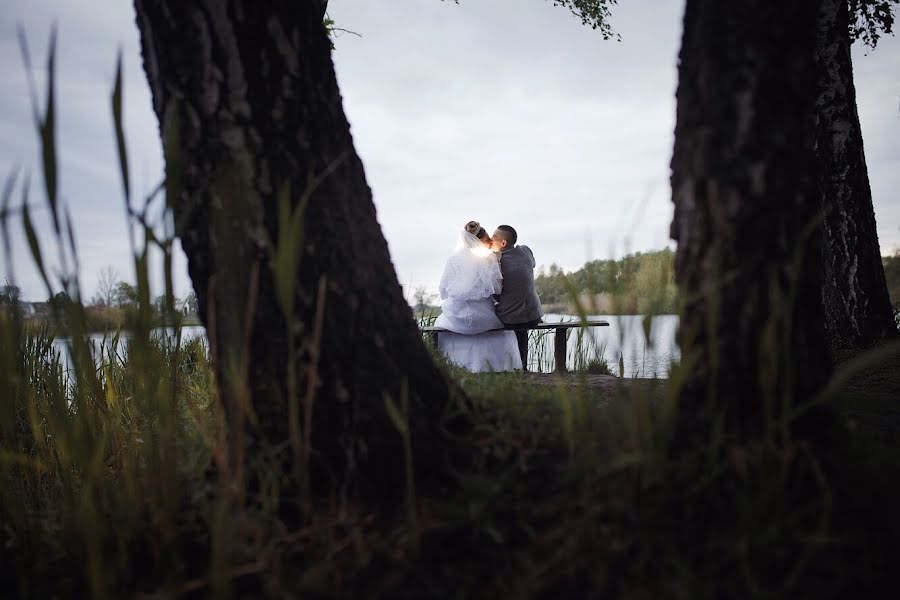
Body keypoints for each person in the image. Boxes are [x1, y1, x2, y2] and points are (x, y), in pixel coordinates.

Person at [433, 221, 522, 372]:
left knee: (440, 322)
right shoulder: (489, 259)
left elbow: (443, 290)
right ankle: (497, 366)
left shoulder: (453, 260)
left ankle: (455, 365)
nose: (489, 244)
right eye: (488, 241)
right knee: (504, 330)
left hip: (456, 316)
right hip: (483, 316)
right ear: (479, 241)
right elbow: (497, 289)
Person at [491, 225, 544, 370]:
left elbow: (494, 291)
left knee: (485, 316)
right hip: (535, 316)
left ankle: (506, 366)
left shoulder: (496, 262)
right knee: (518, 318)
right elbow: (531, 265)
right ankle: (522, 365)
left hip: (512, 320)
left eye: (493, 237)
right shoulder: (525, 251)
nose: (490, 239)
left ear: (503, 243)